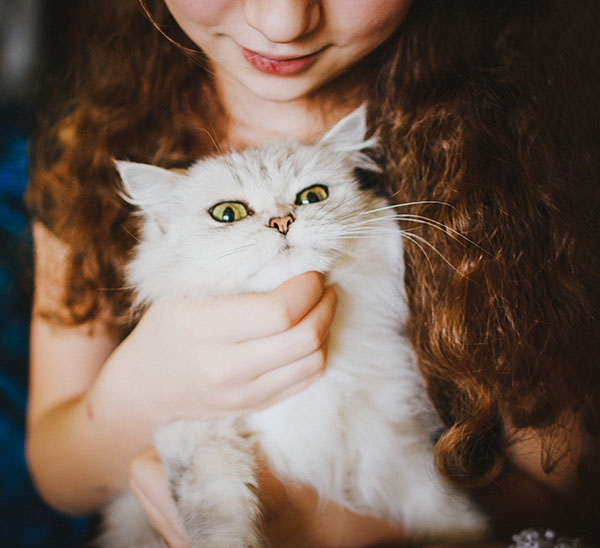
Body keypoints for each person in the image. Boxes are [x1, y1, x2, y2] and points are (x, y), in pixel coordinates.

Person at [24, 1, 600, 546]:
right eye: (230, 212)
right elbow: (59, 478)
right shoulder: (82, 156)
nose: (283, 21)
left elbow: (567, 492)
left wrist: (345, 531)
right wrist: (142, 386)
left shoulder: (523, 155)